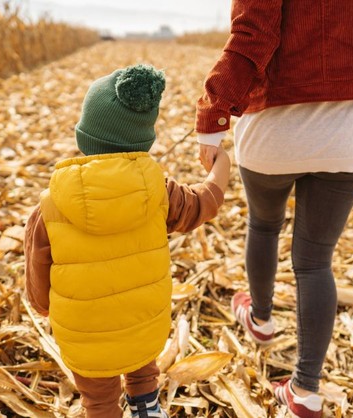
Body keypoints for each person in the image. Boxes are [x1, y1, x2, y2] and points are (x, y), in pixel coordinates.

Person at [195, 2, 353, 417]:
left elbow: (253, 35)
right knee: (316, 261)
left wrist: (213, 117)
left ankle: (261, 320)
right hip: (350, 135)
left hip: (274, 132)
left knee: (264, 225)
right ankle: (305, 391)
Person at [24, 64, 230, 418]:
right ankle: (146, 405)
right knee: (139, 359)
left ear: (84, 136)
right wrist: (221, 165)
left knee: (99, 400)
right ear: (142, 140)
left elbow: (38, 277)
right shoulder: (160, 192)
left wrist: (45, 308)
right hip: (143, 325)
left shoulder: (51, 205)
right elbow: (203, 204)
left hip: (85, 338)